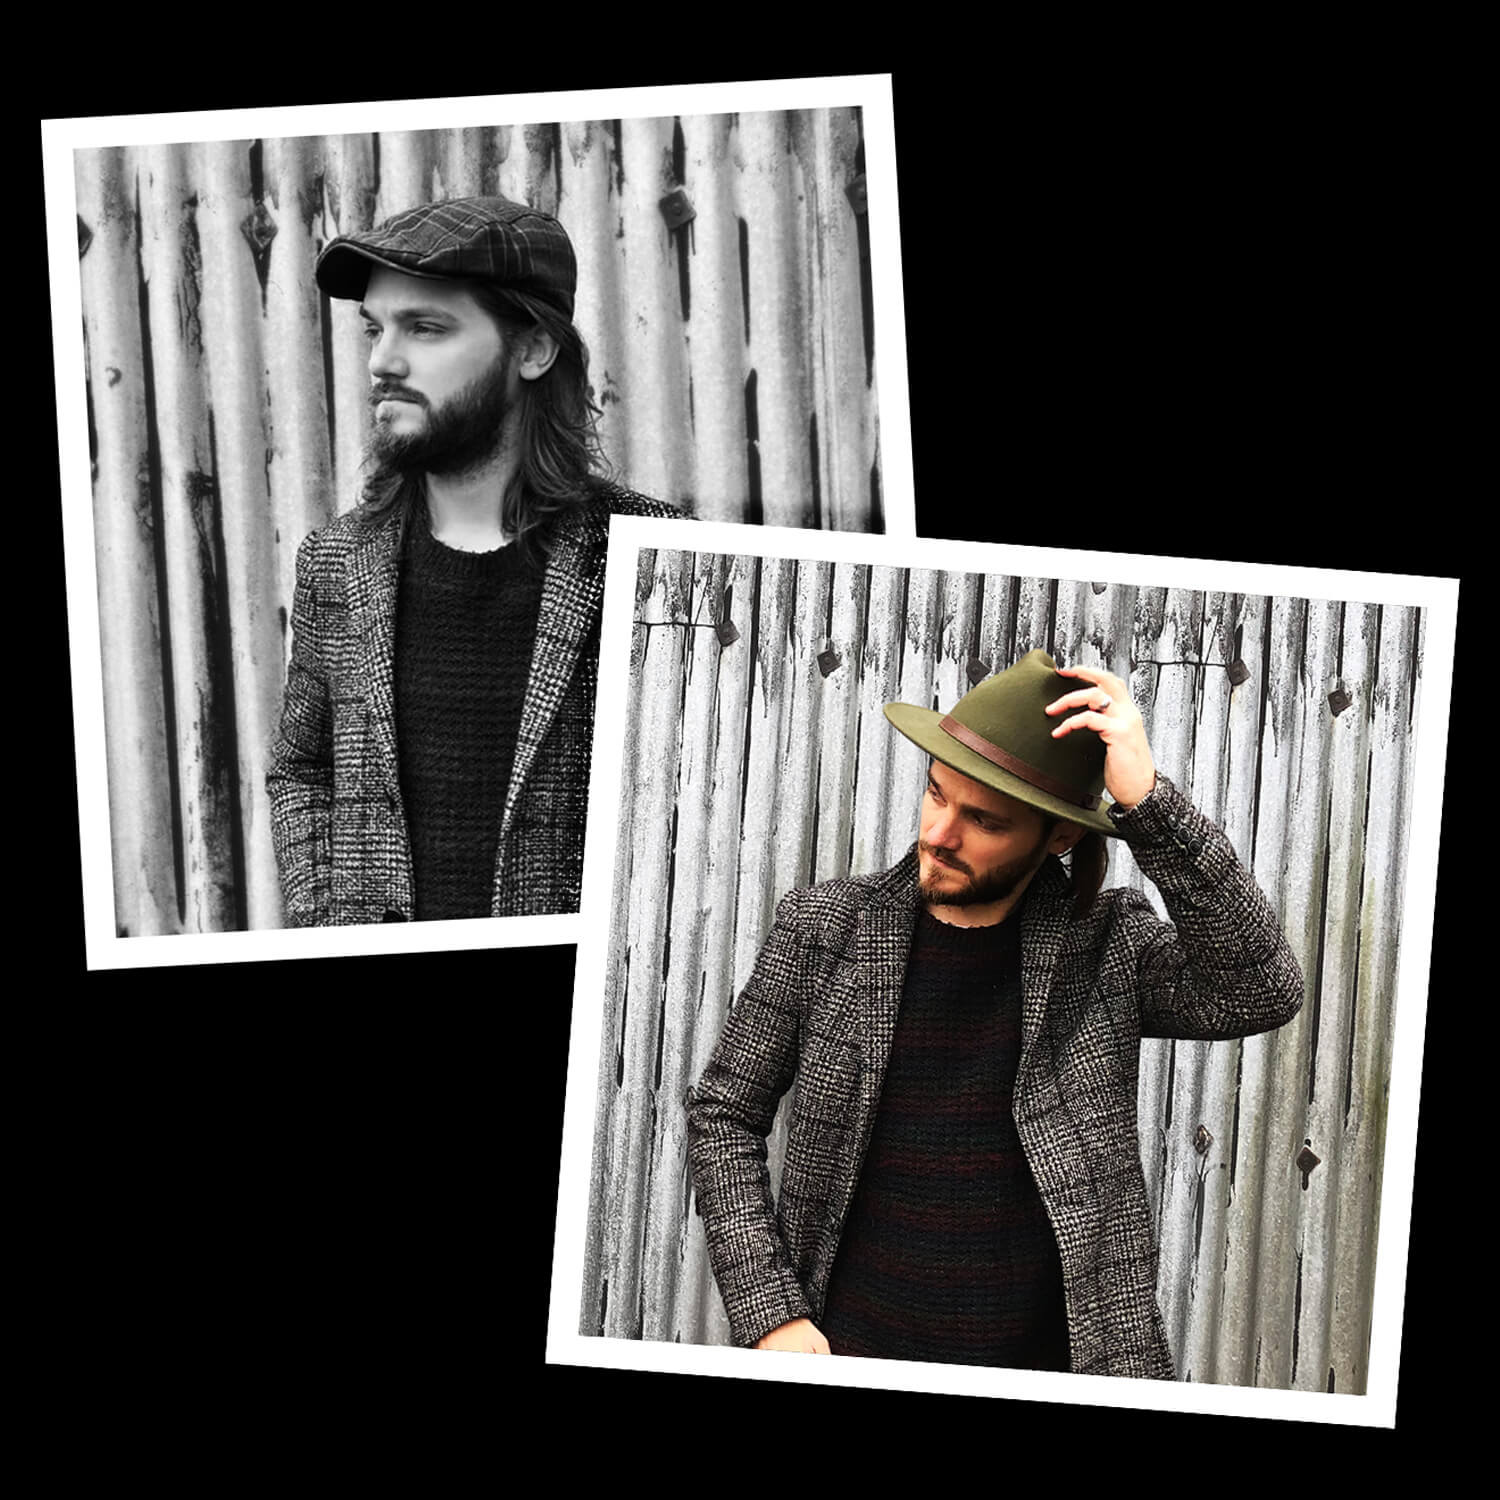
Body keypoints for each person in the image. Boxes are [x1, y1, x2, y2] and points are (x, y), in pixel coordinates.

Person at [685, 648, 1303, 1377]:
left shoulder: (1107, 950)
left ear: (1061, 836)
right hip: (846, 1352)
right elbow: (723, 1113)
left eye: (983, 819)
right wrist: (772, 1313)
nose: (940, 833)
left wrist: (1149, 806)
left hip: (1052, 1372)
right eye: (936, 794)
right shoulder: (825, 929)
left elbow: (1260, 986)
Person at [267, 196, 676, 924]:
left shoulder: (652, 559)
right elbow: (303, 769)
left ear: (531, 349)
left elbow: (685, 795)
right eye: (376, 328)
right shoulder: (334, 561)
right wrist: (323, 920)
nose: (382, 361)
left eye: (425, 327)